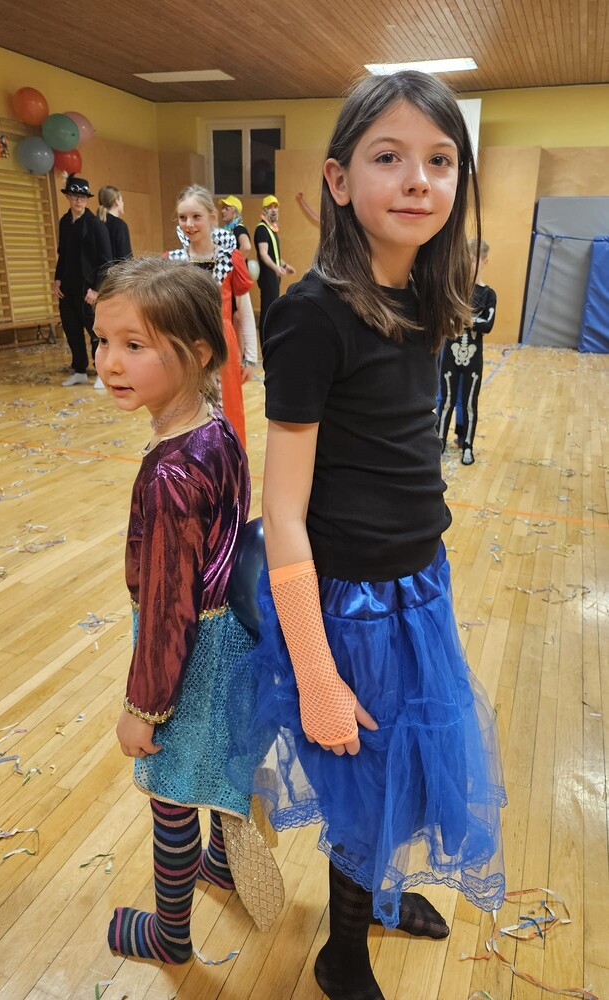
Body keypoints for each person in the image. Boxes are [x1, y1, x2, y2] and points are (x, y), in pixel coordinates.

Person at [233, 72, 506, 1000]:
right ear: (339, 180)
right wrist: (315, 669)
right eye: (389, 157)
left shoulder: (428, 294)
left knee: (413, 766)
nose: (418, 179)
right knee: (365, 780)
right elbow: (283, 512)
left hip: (418, 583)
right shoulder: (311, 315)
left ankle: (380, 898)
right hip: (345, 607)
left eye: (439, 160)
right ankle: (341, 951)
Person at [94, 256, 278, 964]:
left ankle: (170, 936)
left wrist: (143, 708)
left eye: (134, 345)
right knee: (221, 764)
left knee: (170, 792)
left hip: (189, 655)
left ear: (198, 352)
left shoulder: (170, 474)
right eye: (103, 340)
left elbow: (169, 609)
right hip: (229, 637)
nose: (110, 362)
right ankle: (222, 868)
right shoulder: (217, 427)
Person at [168, 185, 257, 449]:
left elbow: (244, 311)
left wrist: (250, 356)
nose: (189, 224)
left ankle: (226, 465)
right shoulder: (173, 262)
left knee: (225, 413)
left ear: (212, 217)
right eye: (183, 217)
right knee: (188, 414)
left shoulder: (230, 259)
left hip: (222, 345)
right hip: (185, 347)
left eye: (196, 216)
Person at [436, 238, 497, 464]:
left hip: (473, 357)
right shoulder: (454, 290)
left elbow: (487, 325)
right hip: (450, 354)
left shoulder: (488, 294)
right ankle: (439, 441)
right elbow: (445, 318)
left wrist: (463, 319)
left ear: (484, 262)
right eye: (467, 259)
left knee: (470, 402)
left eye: (474, 260)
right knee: (446, 400)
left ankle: (468, 445)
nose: (470, 264)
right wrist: (471, 320)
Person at [53, 175, 112, 389]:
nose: (78, 200)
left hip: (88, 289)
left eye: (82, 197)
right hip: (68, 288)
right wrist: (57, 279)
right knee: (72, 330)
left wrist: (96, 289)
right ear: (68, 197)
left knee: (95, 332)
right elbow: (62, 254)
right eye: (74, 196)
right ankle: (79, 371)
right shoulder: (64, 222)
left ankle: (101, 373)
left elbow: (106, 261)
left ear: (87, 199)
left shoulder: (96, 225)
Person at [253, 195, 294, 345]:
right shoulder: (262, 229)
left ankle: (270, 339)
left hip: (274, 275)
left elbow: (274, 256)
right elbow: (264, 254)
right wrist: (276, 268)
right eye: (270, 207)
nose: (273, 210)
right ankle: (265, 343)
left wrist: (284, 266)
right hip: (267, 276)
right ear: (264, 210)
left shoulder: (272, 229)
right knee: (268, 309)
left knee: (272, 307)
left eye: (275, 207)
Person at [97, 185, 133, 262]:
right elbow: (125, 259)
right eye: (121, 200)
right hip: (115, 269)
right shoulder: (120, 225)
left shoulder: (95, 223)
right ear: (116, 201)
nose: (123, 203)